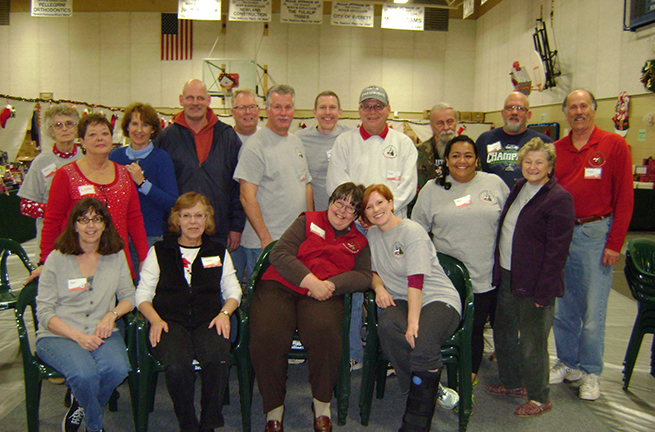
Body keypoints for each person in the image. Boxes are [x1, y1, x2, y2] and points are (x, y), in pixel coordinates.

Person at [249, 182, 372, 432]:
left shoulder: (358, 241)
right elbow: (280, 253)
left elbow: (364, 276)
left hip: (323, 295)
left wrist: (331, 285)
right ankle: (274, 409)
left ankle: (322, 404)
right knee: (267, 335)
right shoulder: (307, 220)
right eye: (339, 202)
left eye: (351, 208)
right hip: (281, 286)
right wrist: (310, 281)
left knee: (324, 333)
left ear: (357, 215)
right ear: (330, 201)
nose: (342, 210)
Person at [326, 85, 418, 371]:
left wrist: (379, 215)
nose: (373, 111)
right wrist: (361, 215)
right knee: (354, 292)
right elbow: (336, 186)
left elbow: (408, 187)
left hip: (392, 229)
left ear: (388, 109)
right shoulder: (345, 141)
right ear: (359, 110)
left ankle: (392, 354)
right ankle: (354, 351)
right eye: (367, 106)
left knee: (393, 289)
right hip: (355, 228)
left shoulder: (403, 143)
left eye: (379, 105)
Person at [550, 89, 634, 400]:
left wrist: (615, 243)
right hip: (562, 236)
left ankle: (591, 371)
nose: (578, 111)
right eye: (572, 107)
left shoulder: (614, 145)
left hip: (596, 235)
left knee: (593, 312)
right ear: (566, 113)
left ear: (594, 110)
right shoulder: (556, 149)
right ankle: (567, 362)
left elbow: (625, 197)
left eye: (584, 105)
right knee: (563, 306)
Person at [136, 192, 241, 432]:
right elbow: (142, 294)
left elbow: (233, 289)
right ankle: (188, 422)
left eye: (199, 216)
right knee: (176, 364)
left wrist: (224, 314)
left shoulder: (218, 251)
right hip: (169, 322)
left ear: (207, 220)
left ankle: (209, 421)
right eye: (186, 216)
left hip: (209, 320)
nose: (193, 222)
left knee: (218, 358)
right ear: (177, 219)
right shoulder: (160, 251)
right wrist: (154, 319)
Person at [485, 138, 574, 417]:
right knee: (505, 331)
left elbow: (557, 250)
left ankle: (539, 396)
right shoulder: (520, 187)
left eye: (539, 162)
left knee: (533, 341)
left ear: (550, 166)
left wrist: (545, 291)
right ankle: (512, 382)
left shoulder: (559, 198)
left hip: (536, 283)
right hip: (509, 276)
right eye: (528, 161)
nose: (533, 167)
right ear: (520, 164)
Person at [363, 184, 461, 432]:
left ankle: (416, 423)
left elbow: (415, 281)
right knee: (387, 325)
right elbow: (371, 272)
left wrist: (414, 322)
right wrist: (379, 288)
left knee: (422, 338)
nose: (376, 210)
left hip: (437, 297)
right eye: (369, 206)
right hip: (402, 298)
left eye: (380, 202)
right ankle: (427, 387)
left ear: (391, 202)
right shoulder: (373, 235)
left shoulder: (412, 231)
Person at [412, 135, 509, 385]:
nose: (462, 161)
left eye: (468, 155)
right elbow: (417, 231)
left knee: (474, 327)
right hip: (445, 278)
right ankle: (434, 367)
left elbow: (509, 224)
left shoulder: (495, 183)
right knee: (445, 326)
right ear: (446, 160)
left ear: (477, 159)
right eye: (455, 156)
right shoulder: (433, 189)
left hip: (484, 272)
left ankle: (468, 377)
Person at [35, 198, 134, 432]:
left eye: (97, 219)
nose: (91, 226)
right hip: (59, 334)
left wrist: (112, 315)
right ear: (74, 225)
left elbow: (129, 295)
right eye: (83, 220)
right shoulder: (57, 258)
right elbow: (44, 312)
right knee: (85, 373)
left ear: (105, 224)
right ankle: (94, 425)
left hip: (102, 331)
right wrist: (77, 337)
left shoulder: (116, 255)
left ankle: (81, 402)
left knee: (118, 369)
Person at [31, 113, 148, 282]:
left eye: (105, 133)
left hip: (117, 261)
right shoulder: (66, 175)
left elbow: (134, 219)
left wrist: (144, 257)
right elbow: (52, 221)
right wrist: (44, 260)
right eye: (92, 134)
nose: (100, 139)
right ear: (82, 141)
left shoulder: (124, 174)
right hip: (77, 262)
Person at [154, 79, 245, 261]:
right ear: (181, 100)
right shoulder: (166, 137)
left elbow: (238, 185)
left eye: (200, 98)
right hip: (178, 231)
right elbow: (158, 186)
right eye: (189, 98)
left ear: (208, 100)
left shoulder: (227, 136)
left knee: (214, 283)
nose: (195, 103)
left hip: (218, 229)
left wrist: (236, 226)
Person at [233, 84, 314, 281]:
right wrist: (265, 239)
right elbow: (246, 196)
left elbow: (306, 186)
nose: (283, 113)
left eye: (288, 107)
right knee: (265, 305)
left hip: (295, 241)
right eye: (277, 107)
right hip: (267, 244)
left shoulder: (296, 142)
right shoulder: (255, 146)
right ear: (267, 110)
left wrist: (310, 229)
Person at [109, 102, 178, 256]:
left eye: (145, 125)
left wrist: (143, 183)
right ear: (127, 127)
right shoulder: (115, 157)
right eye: (134, 124)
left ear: (153, 129)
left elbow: (172, 203)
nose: (139, 130)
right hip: (118, 236)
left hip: (150, 235)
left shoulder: (161, 158)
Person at [18, 103, 83, 254]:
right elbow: (26, 206)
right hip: (51, 240)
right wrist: (58, 209)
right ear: (51, 131)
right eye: (58, 125)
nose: (64, 129)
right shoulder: (41, 162)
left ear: (76, 128)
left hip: (83, 238)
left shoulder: (87, 158)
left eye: (69, 124)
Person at [476, 92, 552, 188]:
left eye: (520, 109)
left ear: (528, 115)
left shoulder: (543, 142)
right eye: (509, 108)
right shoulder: (485, 140)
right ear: (502, 113)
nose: (514, 112)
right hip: (492, 199)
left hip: (530, 201)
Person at [297, 91, 349, 211]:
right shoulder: (300, 139)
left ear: (340, 112)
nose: (327, 112)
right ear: (314, 112)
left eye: (332, 107)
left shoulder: (351, 137)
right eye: (322, 107)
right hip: (315, 213)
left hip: (347, 214)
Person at [416, 103, 458, 189]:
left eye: (450, 122)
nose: (446, 127)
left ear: (456, 122)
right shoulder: (419, 152)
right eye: (440, 123)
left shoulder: (468, 150)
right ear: (431, 126)